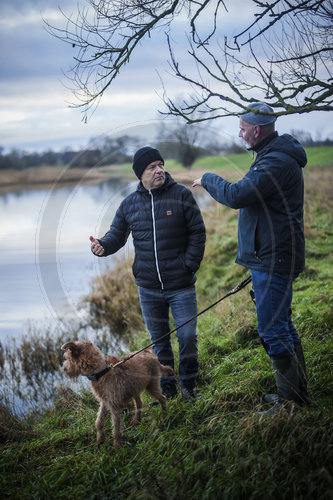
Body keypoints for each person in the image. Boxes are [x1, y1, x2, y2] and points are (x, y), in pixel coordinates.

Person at [192, 102, 310, 414]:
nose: (240, 133)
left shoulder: (274, 163)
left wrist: (207, 179)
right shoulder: (272, 156)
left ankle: (288, 404)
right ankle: (297, 393)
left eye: (243, 127)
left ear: (256, 130)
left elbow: (235, 195)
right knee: (281, 323)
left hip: (275, 258)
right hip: (272, 255)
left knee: (272, 328)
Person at [90, 146, 206, 402]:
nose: (159, 170)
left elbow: (198, 232)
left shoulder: (181, 196)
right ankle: (168, 390)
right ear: (140, 174)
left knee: (187, 336)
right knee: (160, 342)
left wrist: (189, 265)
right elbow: (116, 236)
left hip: (181, 285)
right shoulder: (129, 204)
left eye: (160, 164)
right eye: (152, 167)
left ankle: (189, 386)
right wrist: (102, 246)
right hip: (148, 288)